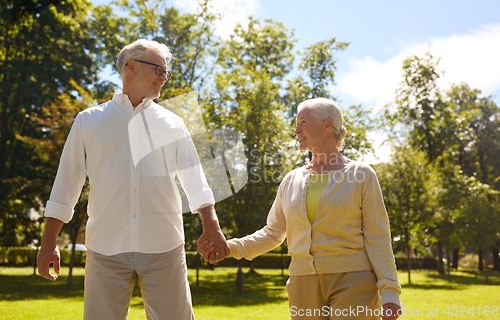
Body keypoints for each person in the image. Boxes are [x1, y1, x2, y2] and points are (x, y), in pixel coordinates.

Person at [37, 39, 229, 320]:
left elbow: (195, 180)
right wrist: (48, 243)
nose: (164, 78)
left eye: (166, 72)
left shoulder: (173, 123)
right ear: (131, 67)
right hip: (105, 248)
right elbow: (66, 185)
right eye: (159, 70)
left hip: (165, 246)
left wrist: (211, 227)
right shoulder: (88, 121)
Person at [200, 98, 402, 320]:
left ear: (327, 125)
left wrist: (390, 292)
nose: (296, 130)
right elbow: (272, 233)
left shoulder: (361, 174)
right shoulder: (291, 179)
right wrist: (230, 248)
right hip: (302, 282)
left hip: (353, 280)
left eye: (303, 122)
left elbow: (378, 235)